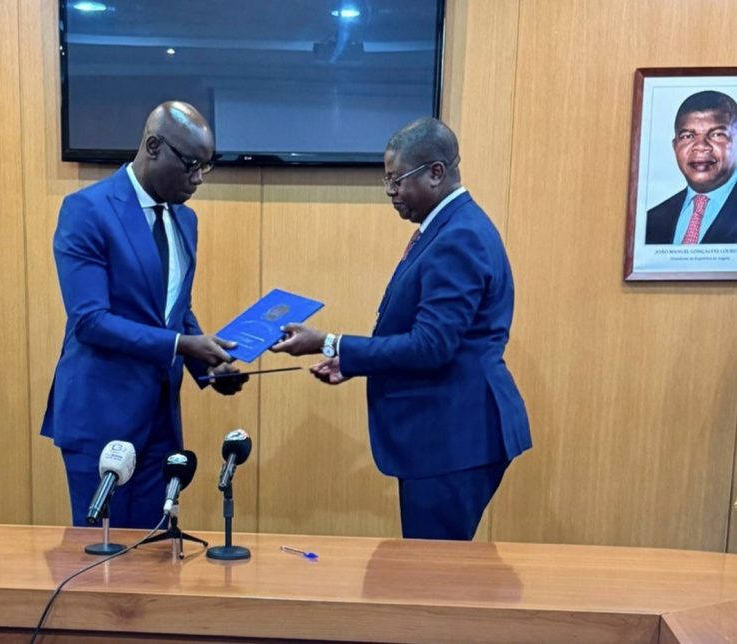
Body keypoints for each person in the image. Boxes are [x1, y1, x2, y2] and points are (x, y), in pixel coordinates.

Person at [272, 117, 531, 540]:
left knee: (433, 571)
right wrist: (351, 361)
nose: (390, 192)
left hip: (453, 437)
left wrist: (331, 343)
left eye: (397, 180)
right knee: (434, 566)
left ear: (436, 173)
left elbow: (431, 346)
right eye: (386, 181)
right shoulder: (448, 227)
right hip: (450, 434)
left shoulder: (459, 236)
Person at [41, 101, 248, 529]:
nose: (197, 179)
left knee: (155, 551)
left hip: (160, 420)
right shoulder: (87, 210)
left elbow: (175, 310)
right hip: (101, 416)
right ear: (153, 146)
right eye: (190, 165)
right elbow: (89, 321)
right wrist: (182, 345)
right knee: (102, 552)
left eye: (205, 167)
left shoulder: (186, 220)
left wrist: (209, 367)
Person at [646, 90, 737, 244]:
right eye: (687, 136)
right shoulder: (652, 220)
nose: (700, 146)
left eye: (717, 134)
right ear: (675, 146)